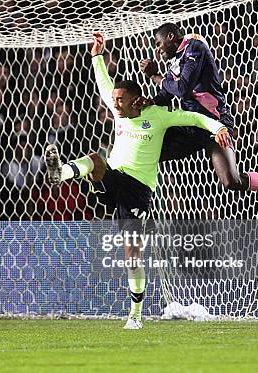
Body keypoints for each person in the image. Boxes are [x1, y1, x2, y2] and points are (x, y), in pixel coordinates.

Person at [45, 33, 231, 330]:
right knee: (95, 160)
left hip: (139, 191)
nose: (115, 104)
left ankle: (135, 313)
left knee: (132, 252)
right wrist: (96, 55)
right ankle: (61, 173)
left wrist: (218, 125)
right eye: (114, 100)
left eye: (121, 100)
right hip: (115, 179)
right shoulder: (118, 112)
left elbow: (194, 119)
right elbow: (103, 84)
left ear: (135, 101)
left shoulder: (158, 115)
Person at [139, 23, 258, 213]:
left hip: (216, 123)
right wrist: (149, 101)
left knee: (231, 181)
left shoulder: (194, 47)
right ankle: (140, 210)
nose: (157, 49)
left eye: (158, 43)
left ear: (170, 37)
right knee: (150, 153)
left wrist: (155, 76)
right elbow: (167, 95)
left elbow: (182, 89)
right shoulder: (174, 61)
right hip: (193, 125)